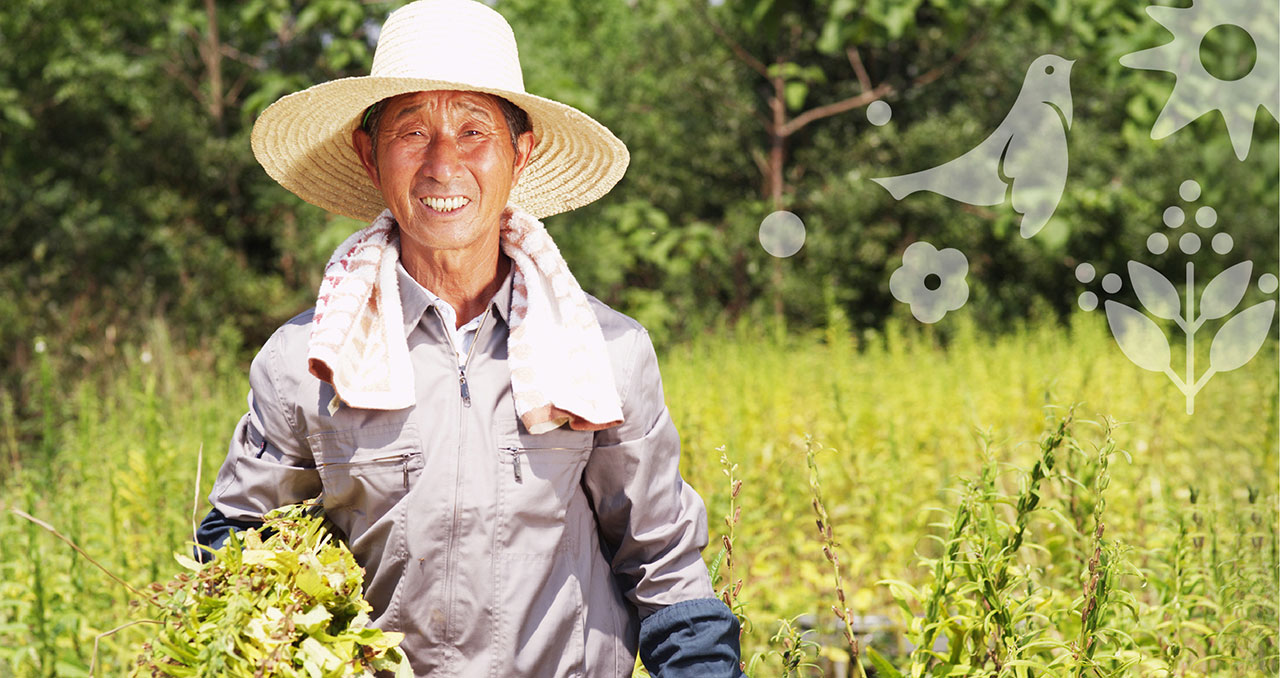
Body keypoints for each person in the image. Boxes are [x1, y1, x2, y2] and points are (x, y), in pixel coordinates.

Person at [195, 1, 743, 676]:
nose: (442, 164)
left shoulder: (603, 355)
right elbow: (236, 555)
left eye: (473, 131)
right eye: (412, 132)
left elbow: (665, 573)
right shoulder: (308, 363)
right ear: (370, 156)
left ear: (521, 152)